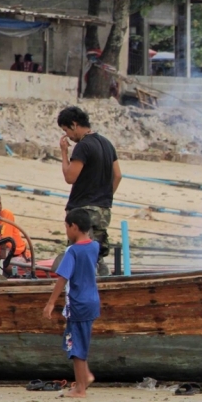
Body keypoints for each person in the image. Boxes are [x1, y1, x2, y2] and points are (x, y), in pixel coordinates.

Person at [58, 106, 122, 276]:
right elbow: (118, 175)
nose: (69, 137)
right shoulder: (107, 144)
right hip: (103, 210)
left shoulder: (83, 146)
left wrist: (64, 153)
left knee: (81, 257)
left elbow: (70, 177)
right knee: (98, 256)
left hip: (82, 210)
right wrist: (105, 197)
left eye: (66, 130)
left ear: (74, 124)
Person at [43, 209, 100, 398]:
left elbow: (62, 278)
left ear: (74, 227)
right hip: (92, 302)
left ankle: (80, 388)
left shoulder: (73, 251)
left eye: (67, 227)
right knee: (80, 341)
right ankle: (86, 377)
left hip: (78, 304)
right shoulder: (94, 246)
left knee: (75, 346)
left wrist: (51, 303)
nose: (66, 231)